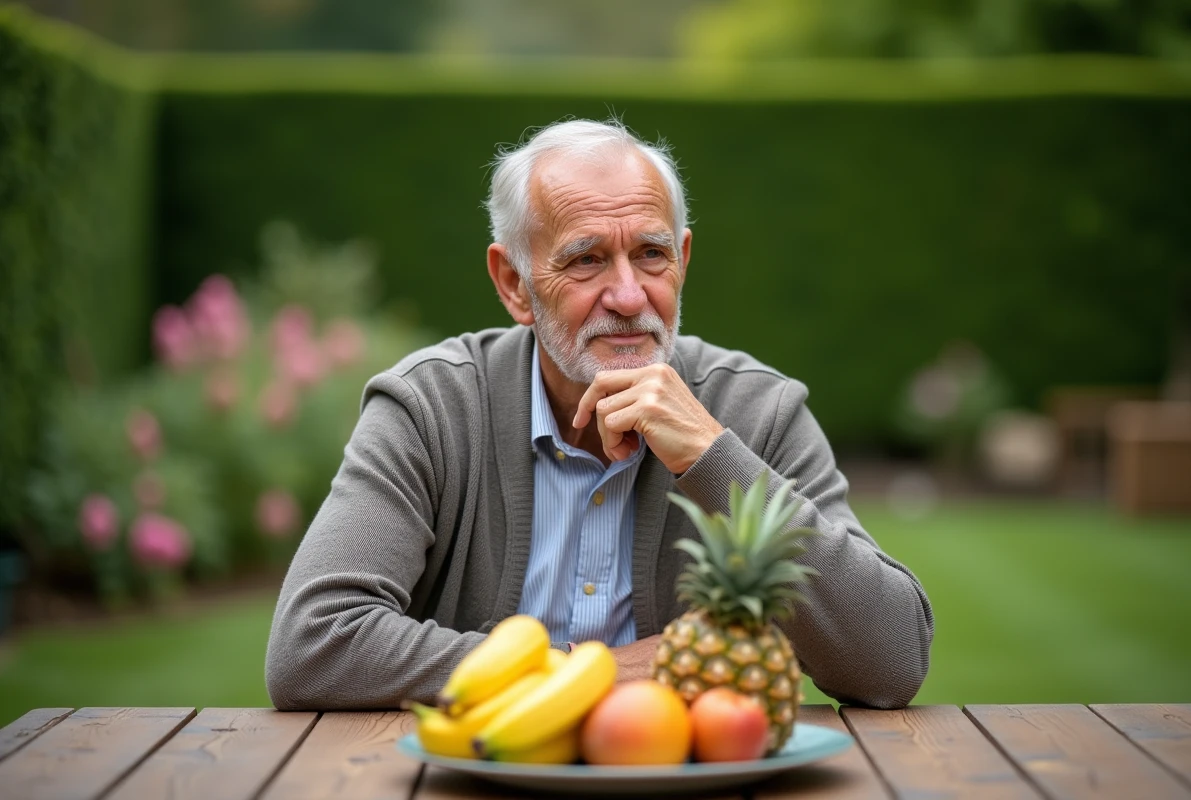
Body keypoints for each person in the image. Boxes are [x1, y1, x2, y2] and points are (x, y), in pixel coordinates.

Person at [265, 119, 933, 711]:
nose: (627, 294)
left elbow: (894, 660)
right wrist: (597, 676)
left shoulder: (758, 409)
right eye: (585, 260)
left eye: (650, 254)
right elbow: (313, 643)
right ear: (514, 284)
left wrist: (709, 453)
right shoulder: (430, 409)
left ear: (684, 260)